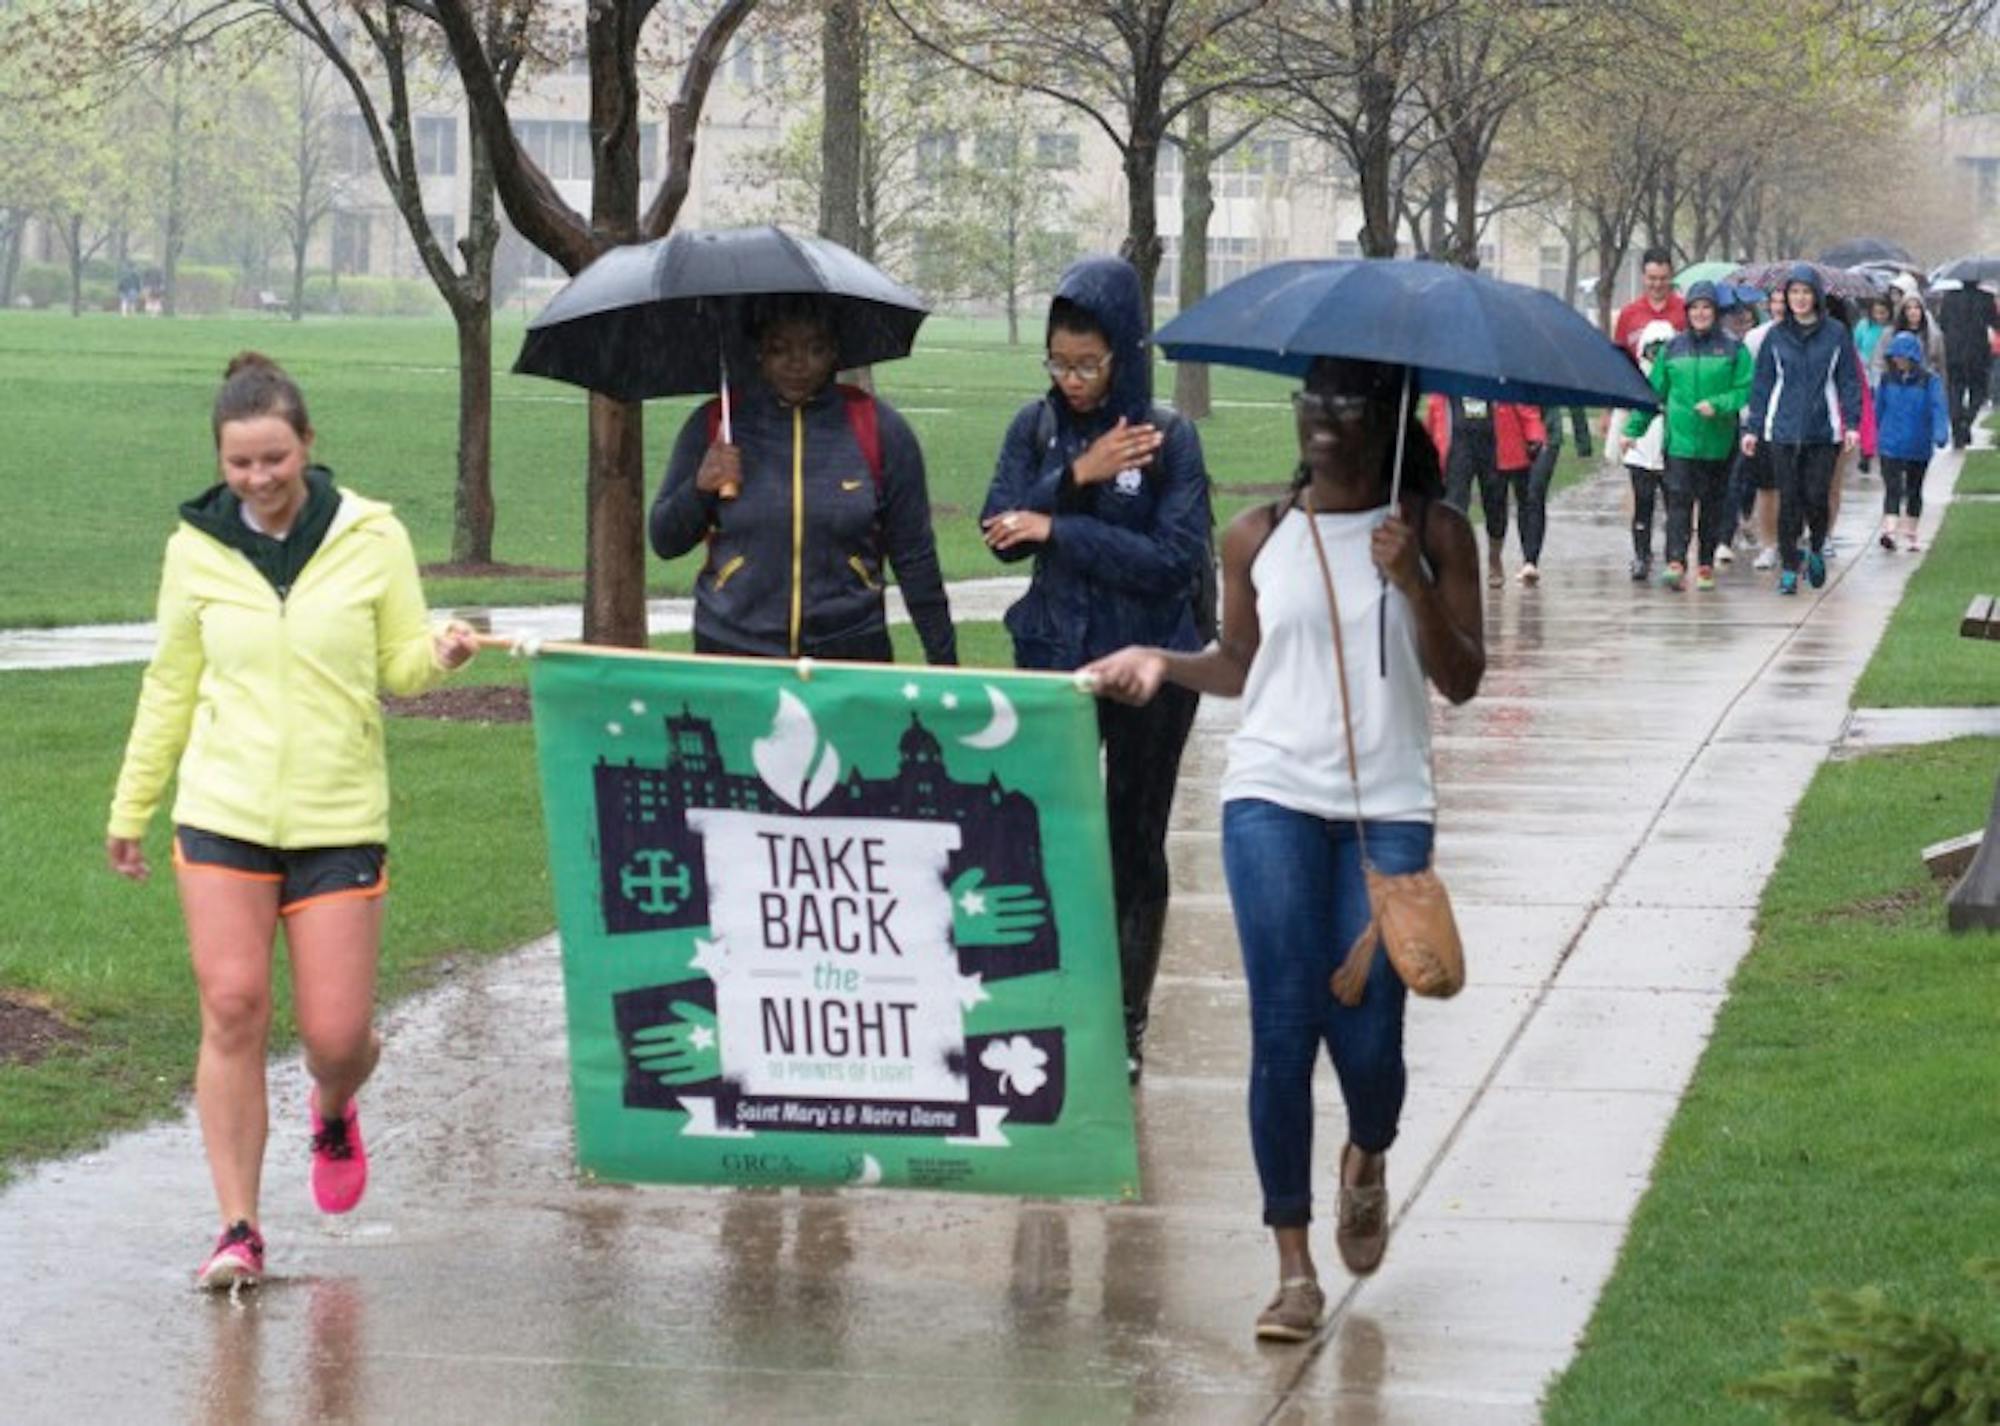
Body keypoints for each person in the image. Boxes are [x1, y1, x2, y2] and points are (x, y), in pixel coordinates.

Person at [1082, 356, 1484, 1340]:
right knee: (1280, 1026)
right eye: (1312, 395)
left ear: (1388, 416)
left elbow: (1462, 678)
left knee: (1372, 1037)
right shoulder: (1255, 534)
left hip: (1384, 811)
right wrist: (1155, 661)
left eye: (1346, 400)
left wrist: (1411, 583)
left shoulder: (1433, 531)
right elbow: (1236, 663)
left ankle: (1366, 1153)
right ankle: (1292, 1266)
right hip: (1267, 797)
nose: (1320, 416)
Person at [106, 353, 480, 1290]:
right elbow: (171, 684)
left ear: (307, 447)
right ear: (220, 462)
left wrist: (439, 654)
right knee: (231, 1008)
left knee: (337, 1035)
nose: (259, 479)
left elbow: (397, 662)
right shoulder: (194, 548)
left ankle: (333, 1100)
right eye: (240, 464)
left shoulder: (372, 536)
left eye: (274, 458)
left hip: (337, 817)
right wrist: (132, 803)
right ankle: (239, 1226)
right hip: (222, 809)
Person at [980, 256, 1212, 1080]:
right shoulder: (1034, 430)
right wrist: (1075, 478)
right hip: (1054, 660)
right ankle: (1048, 1002)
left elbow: (1171, 562)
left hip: (1150, 667)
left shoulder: (1167, 438)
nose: (1072, 379)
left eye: (1089, 364)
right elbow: (1000, 529)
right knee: (1042, 840)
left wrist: (1062, 530)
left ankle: (1124, 1024)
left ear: (1125, 355)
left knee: (1132, 841)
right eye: (1059, 361)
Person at [650, 293, 957, 665]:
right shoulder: (718, 424)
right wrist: (699, 489)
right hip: (733, 651)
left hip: (849, 653)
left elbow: (915, 556)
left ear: (835, 353)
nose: (798, 364)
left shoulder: (879, 429)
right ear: (759, 351)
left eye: (815, 349)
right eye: (781, 349)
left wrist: (944, 662)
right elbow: (665, 540)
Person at [1741, 265, 1864, 595]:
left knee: (1816, 497)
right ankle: (1790, 567)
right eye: (1793, 292)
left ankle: (1817, 545)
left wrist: (1853, 423)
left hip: (1823, 431)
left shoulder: (1836, 334)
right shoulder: (1775, 336)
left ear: (1816, 297)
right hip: (1781, 431)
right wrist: (1753, 429)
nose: (1799, 299)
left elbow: (1848, 381)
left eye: (1805, 292)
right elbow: (1763, 385)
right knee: (1788, 499)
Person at [1629, 281, 1751, 592]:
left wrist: (1720, 405)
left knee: (1712, 505)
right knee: (1678, 502)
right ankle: (1675, 562)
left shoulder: (1734, 349)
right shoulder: (1672, 349)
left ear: (1715, 312)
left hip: (1718, 443)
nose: (1700, 313)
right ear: (1687, 312)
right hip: (1680, 442)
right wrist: (1633, 430)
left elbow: (1745, 389)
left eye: (1706, 307)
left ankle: (1705, 564)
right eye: (1695, 307)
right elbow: (1654, 394)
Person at [1426, 395, 1545, 587]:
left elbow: (1521, 401)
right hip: (1459, 441)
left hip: (1493, 441)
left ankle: (1494, 556)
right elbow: (1435, 405)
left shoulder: (1495, 368)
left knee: (1495, 507)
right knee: (1454, 505)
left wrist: (1533, 432)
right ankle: (1455, 563)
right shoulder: (1452, 370)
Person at [1872, 331, 1950, 551]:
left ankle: (1911, 531)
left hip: (1918, 444)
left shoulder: (1929, 381)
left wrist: (1940, 432)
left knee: (1914, 488)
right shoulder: (1886, 381)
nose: (1898, 360)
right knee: (1892, 488)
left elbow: (1938, 408)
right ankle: (1890, 530)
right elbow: (1878, 410)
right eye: (1895, 356)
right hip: (1890, 443)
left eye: (1902, 356)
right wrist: (1870, 437)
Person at [1623, 321, 1675, 581]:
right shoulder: (1635, 376)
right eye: (1653, 349)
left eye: (1664, 349)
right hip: (1640, 452)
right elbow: (1625, 413)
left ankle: (1673, 557)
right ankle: (1641, 555)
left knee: (1674, 508)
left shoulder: (1676, 376)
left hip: (1671, 452)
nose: (1658, 355)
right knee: (1643, 506)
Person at [1936, 283, 1999, 447]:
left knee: (1955, 390)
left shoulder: (1949, 298)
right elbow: (1995, 323)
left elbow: (1942, 323)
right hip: (1978, 352)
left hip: (1954, 351)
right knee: (1978, 390)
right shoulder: (1986, 298)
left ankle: (1958, 427)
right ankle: (1967, 419)